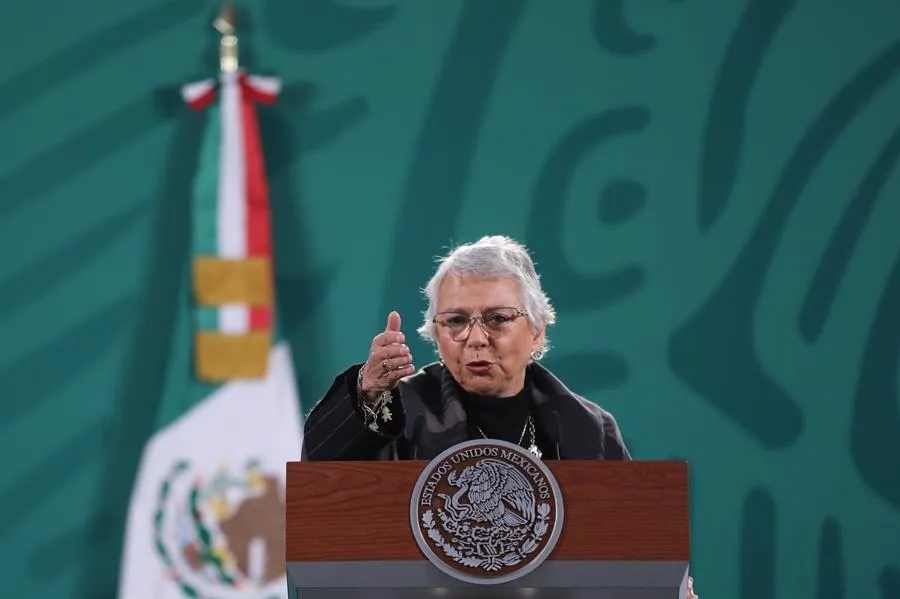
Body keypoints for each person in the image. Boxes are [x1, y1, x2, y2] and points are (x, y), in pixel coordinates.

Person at [302, 235, 698, 598]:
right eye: (456, 321)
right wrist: (368, 389)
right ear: (436, 335)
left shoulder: (588, 428)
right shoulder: (397, 411)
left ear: (538, 330)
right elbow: (319, 488)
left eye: (497, 319)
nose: (476, 339)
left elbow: (628, 552)